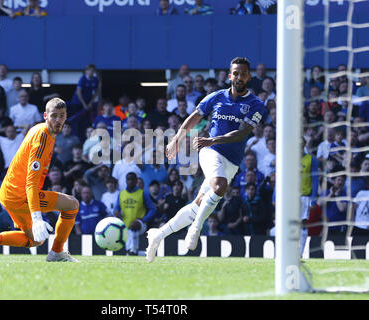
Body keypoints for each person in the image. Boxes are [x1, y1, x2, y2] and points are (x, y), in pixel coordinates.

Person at [146, 57, 267, 262]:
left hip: (231, 160)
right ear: (230, 76)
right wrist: (177, 139)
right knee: (220, 186)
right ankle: (196, 228)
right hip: (209, 152)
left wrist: (212, 139)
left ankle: (158, 235)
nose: (238, 77)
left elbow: (241, 133)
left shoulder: (256, 105)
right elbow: (194, 116)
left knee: (199, 204)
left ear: (249, 77)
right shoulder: (216, 97)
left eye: (243, 74)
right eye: (235, 73)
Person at [0, 98, 80, 263]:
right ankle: (56, 252)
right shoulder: (42, 138)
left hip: (13, 192)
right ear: (45, 116)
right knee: (70, 206)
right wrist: (36, 218)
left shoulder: (40, 130)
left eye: (61, 116)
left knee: (36, 238)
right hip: (19, 195)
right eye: (54, 115)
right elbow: (31, 182)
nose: (58, 120)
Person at [114, 172, 157, 255]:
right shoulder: (121, 194)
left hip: (141, 223)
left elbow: (153, 209)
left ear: (136, 181)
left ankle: (133, 250)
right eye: (128, 179)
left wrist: (144, 219)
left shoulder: (142, 193)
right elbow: (116, 208)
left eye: (132, 179)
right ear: (126, 181)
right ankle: (131, 252)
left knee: (133, 225)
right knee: (129, 227)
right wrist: (116, 212)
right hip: (125, 224)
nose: (130, 181)